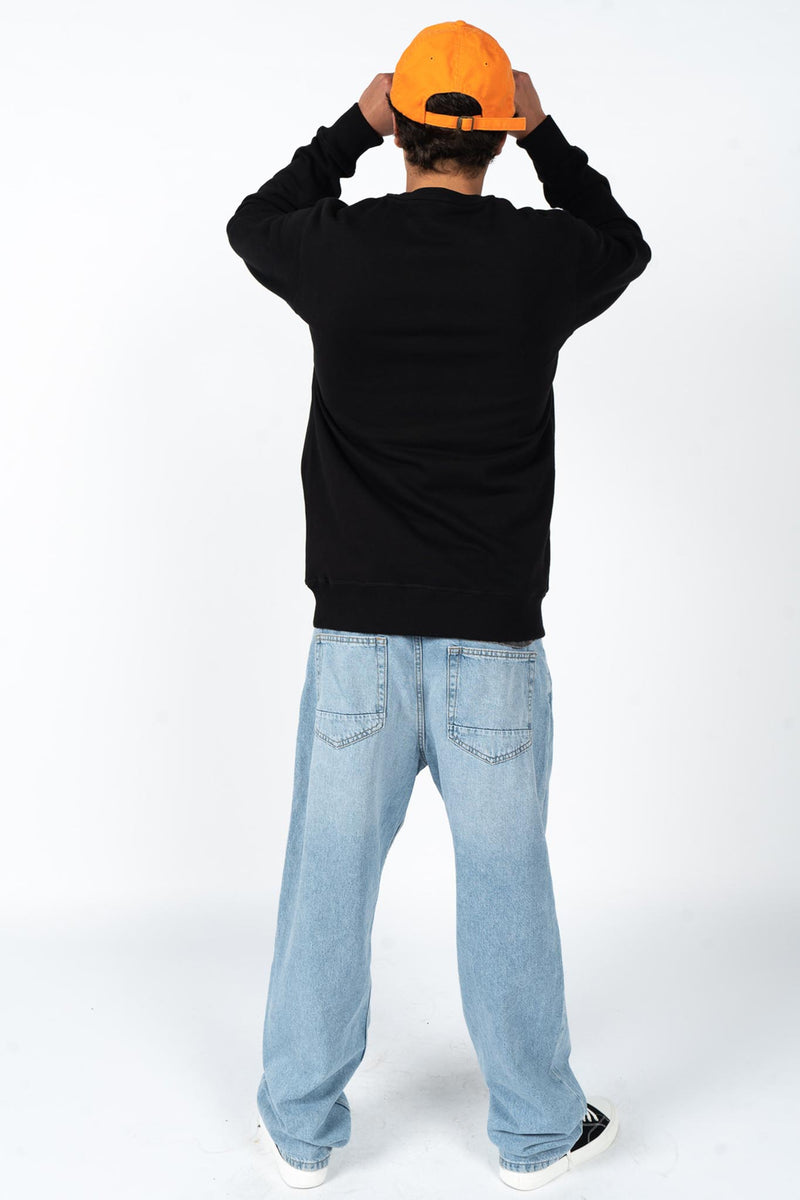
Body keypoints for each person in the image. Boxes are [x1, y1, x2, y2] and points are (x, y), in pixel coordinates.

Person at [226, 19, 651, 1192]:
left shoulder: (337, 251)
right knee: (506, 886)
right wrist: (547, 131)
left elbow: (251, 222)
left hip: (355, 646)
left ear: (400, 126)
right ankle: (534, 1131)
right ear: (497, 139)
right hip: (491, 652)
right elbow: (622, 243)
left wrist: (346, 131)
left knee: (325, 882)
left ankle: (300, 1130)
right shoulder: (534, 260)